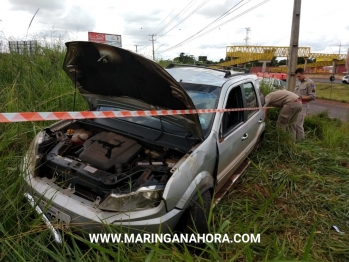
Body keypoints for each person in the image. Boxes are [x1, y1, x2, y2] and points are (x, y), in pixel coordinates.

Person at [293, 68, 316, 140]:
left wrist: (300, 98)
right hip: (295, 105)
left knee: (298, 124)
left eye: (299, 76)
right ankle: (294, 140)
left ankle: (300, 140)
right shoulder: (298, 82)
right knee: (293, 123)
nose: (298, 78)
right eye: (297, 76)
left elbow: (312, 96)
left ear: (303, 74)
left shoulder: (310, 83)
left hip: (303, 105)